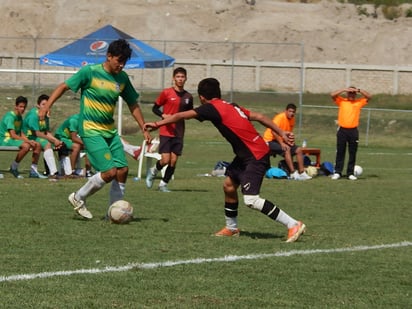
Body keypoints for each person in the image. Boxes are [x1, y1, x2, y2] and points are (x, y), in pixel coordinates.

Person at [144, 78, 306, 242]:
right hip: (247, 154)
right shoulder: (231, 105)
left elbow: (181, 115)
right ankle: (231, 228)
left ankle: (293, 224)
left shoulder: (210, 108)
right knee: (229, 186)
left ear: (201, 97)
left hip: (255, 155)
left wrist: (158, 123)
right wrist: (281, 133)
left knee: (251, 200)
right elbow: (259, 116)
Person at [39, 39, 151, 219]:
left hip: (110, 131)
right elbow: (64, 86)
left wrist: (143, 127)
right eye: (119, 60)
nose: (121, 65)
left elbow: (133, 103)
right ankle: (78, 196)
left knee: (122, 170)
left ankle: (113, 213)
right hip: (90, 130)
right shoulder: (90, 72)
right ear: (109, 56)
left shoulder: (122, 79)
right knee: (109, 172)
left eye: (124, 62)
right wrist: (46, 106)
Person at [145, 67, 193, 192]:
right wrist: (163, 115)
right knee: (165, 159)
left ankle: (163, 185)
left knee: (173, 160)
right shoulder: (167, 93)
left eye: (182, 77)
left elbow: (190, 112)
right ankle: (153, 171)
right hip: (166, 130)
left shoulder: (188, 96)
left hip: (179, 131)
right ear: (173, 78)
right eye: (178, 77)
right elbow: (155, 108)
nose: (180, 79)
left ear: (186, 78)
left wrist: (188, 116)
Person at [330, 86, 371, 180]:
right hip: (342, 130)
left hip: (353, 131)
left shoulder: (359, 102)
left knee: (352, 152)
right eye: (350, 93)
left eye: (353, 93)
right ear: (347, 93)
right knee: (340, 151)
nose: (351, 95)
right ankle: (337, 172)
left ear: (355, 94)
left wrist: (359, 90)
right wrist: (344, 89)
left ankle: (350, 173)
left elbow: (369, 97)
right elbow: (332, 95)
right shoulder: (342, 101)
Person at [263, 103, 312, 181]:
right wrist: (282, 143)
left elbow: (287, 133)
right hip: (269, 140)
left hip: (280, 141)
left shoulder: (292, 119)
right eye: (290, 111)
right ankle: (292, 173)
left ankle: (302, 173)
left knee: (298, 150)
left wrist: (290, 141)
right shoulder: (279, 118)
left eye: (293, 112)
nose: (291, 113)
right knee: (287, 149)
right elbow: (273, 132)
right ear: (286, 111)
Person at [0, 96, 43, 179]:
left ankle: (33, 172)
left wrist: (29, 141)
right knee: (26, 146)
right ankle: (14, 167)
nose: (22, 109)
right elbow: (13, 135)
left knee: (37, 145)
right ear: (15, 106)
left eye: (24, 107)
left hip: (12, 139)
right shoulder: (10, 117)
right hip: (4, 139)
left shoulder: (19, 117)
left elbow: (21, 133)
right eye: (20, 106)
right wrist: (28, 142)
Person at [23, 94, 64, 179]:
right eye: (43, 104)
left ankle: (62, 172)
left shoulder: (45, 115)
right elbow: (37, 133)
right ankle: (53, 172)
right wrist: (52, 140)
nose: (46, 107)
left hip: (37, 136)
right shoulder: (34, 115)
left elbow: (45, 132)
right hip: (28, 137)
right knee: (47, 144)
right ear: (38, 105)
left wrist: (55, 140)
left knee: (59, 144)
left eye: (48, 105)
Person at [54, 113, 93, 177]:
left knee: (89, 147)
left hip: (69, 138)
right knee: (77, 147)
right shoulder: (74, 120)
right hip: (61, 137)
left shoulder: (87, 121)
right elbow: (74, 138)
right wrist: (86, 143)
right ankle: (71, 171)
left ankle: (88, 172)